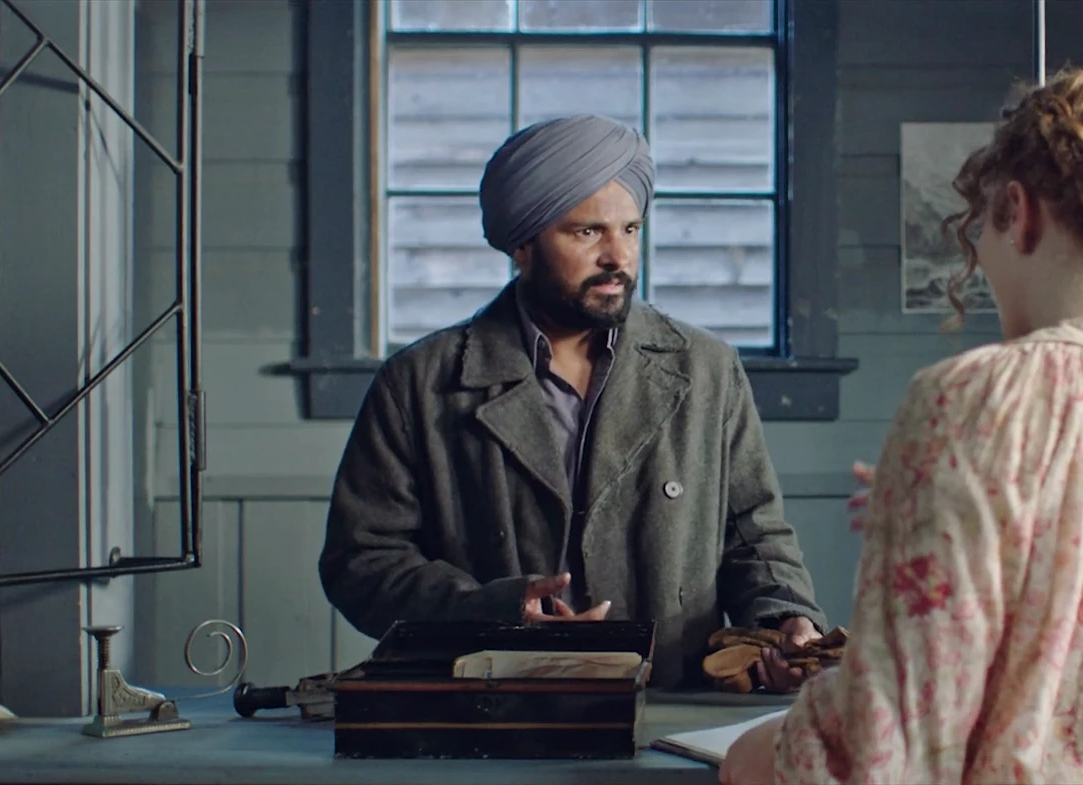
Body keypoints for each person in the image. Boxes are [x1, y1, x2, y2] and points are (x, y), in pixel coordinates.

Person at [720, 67, 1083, 784]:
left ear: (1017, 209)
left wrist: (754, 755)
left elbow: (885, 748)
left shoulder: (981, 398)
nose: (981, 262)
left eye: (980, 230)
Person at [318, 114, 827, 692]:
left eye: (630, 229)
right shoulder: (420, 383)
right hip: (490, 708)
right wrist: (495, 610)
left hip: (667, 703)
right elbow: (362, 561)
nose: (618, 256)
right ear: (523, 244)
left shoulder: (707, 369)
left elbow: (755, 536)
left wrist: (785, 620)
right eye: (588, 232)